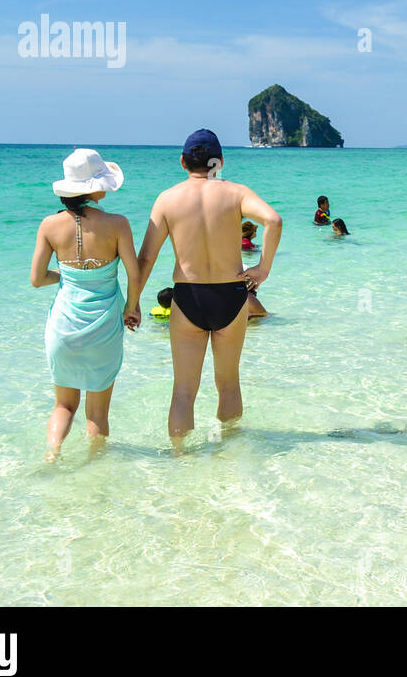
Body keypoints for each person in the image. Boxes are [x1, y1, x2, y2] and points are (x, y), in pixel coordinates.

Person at [135, 129, 282, 443]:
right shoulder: (236, 193)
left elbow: (147, 257)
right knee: (228, 383)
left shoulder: (167, 198)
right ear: (220, 162)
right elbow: (274, 220)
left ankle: (180, 459)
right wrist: (263, 268)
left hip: (189, 296)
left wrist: (132, 301)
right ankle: (227, 451)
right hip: (231, 295)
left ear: (183, 162)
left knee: (184, 391)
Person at [31, 149, 140, 460]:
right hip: (104, 327)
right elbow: (134, 273)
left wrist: (68, 276)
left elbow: (37, 279)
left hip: (63, 327)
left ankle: (52, 454)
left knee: (63, 406)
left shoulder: (49, 225)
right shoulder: (118, 224)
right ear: (94, 188)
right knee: (97, 414)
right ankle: (94, 466)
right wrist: (133, 307)